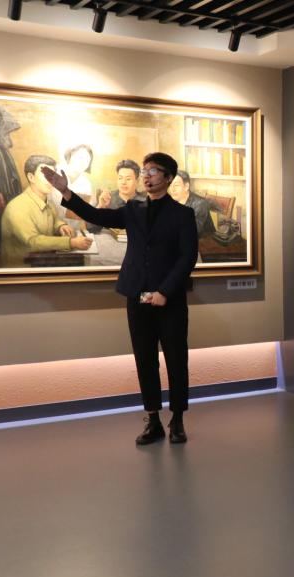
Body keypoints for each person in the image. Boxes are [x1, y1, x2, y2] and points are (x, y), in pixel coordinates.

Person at [43, 152, 198, 445]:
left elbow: (187, 257)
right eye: (145, 170)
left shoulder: (183, 214)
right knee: (145, 360)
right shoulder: (133, 209)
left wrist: (165, 291)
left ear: (168, 177)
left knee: (177, 359)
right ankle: (153, 420)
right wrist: (66, 192)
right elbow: (97, 216)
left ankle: (177, 419)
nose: (147, 175)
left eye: (153, 171)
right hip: (137, 295)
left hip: (170, 300)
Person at [0, 155, 92, 267]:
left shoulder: (47, 201)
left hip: (41, 258)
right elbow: (32, 242)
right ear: (31, 177)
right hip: (22, 268)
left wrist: (61, 226)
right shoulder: (17, 207)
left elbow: (54, 220)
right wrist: (70, 242)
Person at [89, 159, 145, 233]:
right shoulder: (107, 198)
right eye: (120, 178)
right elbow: (91, 228)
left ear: (137, 181)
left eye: (128, 179)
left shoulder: (144, 202)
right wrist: (101, 206)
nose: (123, 182)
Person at [168, 170, 216, 237]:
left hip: (205, 240)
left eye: (176, 185)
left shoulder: (200, 204)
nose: (172, 189)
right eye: (170, 185)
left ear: (186, 187)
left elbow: (193, 231)